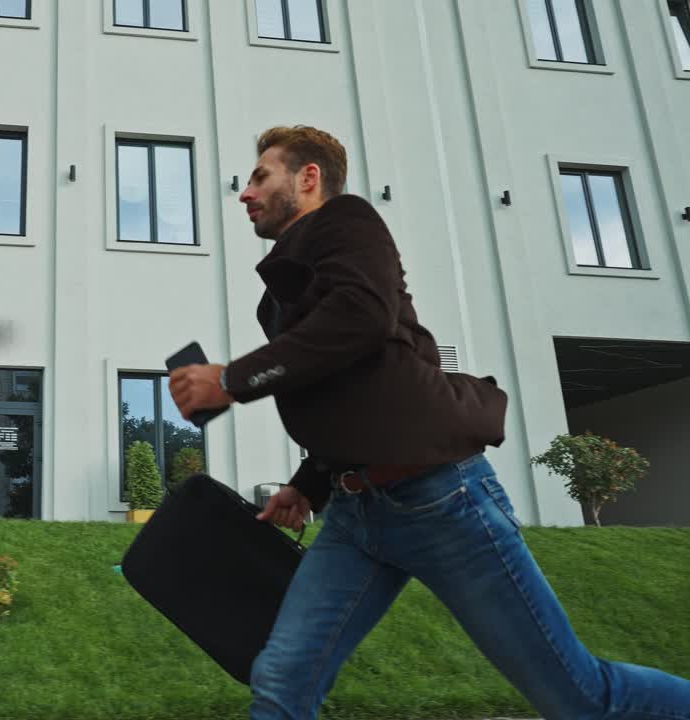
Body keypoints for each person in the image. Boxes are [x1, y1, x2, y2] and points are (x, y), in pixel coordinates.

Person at [168, 125, 690, 720]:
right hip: (354, 517)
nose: (245, 192)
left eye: (261, 176)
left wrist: (231, 380)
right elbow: (353, 386)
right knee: (282, 681)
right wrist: (307, 485)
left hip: (441, 500)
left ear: (309, 178)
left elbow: (360, 318)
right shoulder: (281, 296)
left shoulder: (349, 222)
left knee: (578, 697)